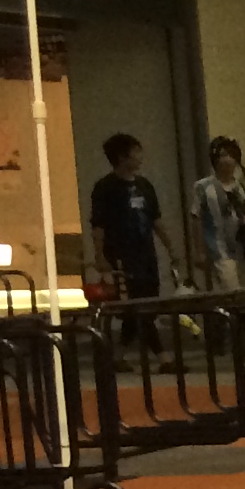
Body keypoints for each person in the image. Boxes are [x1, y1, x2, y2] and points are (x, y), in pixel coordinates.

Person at [86, 133, 173, 346]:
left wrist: (170, 247)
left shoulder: (145, 186)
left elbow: (156, 220)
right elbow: (98, 225)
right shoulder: (105, 188)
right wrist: (100, 256)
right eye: (135, 151)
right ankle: (162, 355)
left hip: (147, 254)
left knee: (148, 303)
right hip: (121, 256)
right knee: (134, 305)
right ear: (121, 156)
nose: (140, 156)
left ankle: (120, 354)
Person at [188, 138, 245, 289]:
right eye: (223, 155)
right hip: (219, 249)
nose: (228, 160)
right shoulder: (203, 186)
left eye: (232, 155)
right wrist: (200, 251)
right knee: (231, 288)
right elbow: (196, 217)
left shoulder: (243, 186)